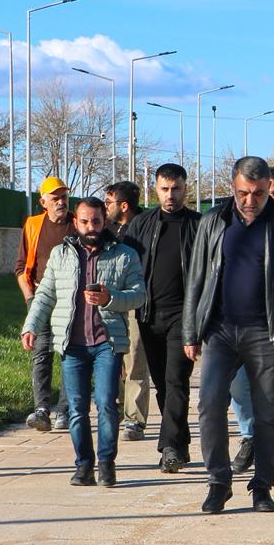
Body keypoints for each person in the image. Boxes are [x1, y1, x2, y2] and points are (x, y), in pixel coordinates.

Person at [182, 156, 274, 514]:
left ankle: (262, 486)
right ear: (232, 188)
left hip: (265, 331)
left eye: (258, 193)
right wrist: (190, 331)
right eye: (243, 193)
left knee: (268, 412)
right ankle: (219, 482)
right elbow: (196, 278)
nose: (250, 200)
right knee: (209, 404)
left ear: (269, 188)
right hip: (219, 330)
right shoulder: (213, 221)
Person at [22, 198, 147, 487]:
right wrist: (31, 326)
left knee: (106, 403)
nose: (91, 227)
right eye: (85, 221)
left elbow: (139, 295)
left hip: (107, 343)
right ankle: (84, 465)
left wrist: (110, 298)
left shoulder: (125, 255)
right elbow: (45, 295)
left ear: (105, 222)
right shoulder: (61, 254)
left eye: (96, 221)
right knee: (77, 409)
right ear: (75, 222)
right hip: (72, 345)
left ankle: (106, 463)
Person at [123, 165, 203, 473]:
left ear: (185, 188)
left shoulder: (199, 225)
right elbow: (125, 265)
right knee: (162, 385)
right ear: (156, 189)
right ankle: (180, 443)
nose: (171, 195)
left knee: (176, 381)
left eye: (176, 188)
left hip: (183, 317)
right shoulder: (141, 224)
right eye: (165, 189)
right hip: (148, 315)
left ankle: (168, 447)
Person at [229, 167, 274, 478]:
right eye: (273, 192)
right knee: (238, 386)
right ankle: (249, 437)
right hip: (238, 323)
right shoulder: (235, 225)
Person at [16, 176, 73, 432]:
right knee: (41, 352)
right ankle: (41, 410)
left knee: (68, 353)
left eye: (64, 197)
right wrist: (30, 297)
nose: (61, 202)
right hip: (41, 297)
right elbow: (20, 267)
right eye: (55, 198)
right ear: (43, 202)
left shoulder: (77, 224)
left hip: (70, 299)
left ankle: (65, 410)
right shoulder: (33, 225)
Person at [104, 180, 151, 442]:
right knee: (111, 359)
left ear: (123, 206)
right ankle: (117, 407)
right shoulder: (106, 229)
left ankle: (135, 419)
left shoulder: (145, 227)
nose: (105, 207)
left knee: (134, 361)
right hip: (109, 304)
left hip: (134, 303)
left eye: (109, 202)